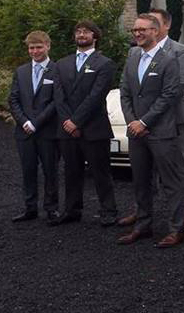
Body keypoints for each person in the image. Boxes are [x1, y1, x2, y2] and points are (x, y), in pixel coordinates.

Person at [116, 9, 184, 229]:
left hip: (172, 119)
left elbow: (178, 86)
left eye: (150, 26)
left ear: (163, 27)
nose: (139, 32)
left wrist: (146, 120)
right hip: (140, 124)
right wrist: (135, 120)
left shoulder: (179, 51)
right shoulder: (135, 54)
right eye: (136, 29)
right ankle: (143, 212)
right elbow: (127, 90)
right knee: (142, 172)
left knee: (176, 168)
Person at [52, 21, 118, 226]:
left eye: (86, 31)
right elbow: (58, 96)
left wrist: (76, 121)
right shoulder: (61, 64)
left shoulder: (104, 63)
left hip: (93, 128)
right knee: (71, 171)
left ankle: (108, 211)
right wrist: (67, 122)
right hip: (66, 129)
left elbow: (96, 95)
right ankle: (72, 210)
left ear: (95, 37)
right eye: (78, 31)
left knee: (101, 172)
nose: (81, 34)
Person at [7, 31, 59, 224]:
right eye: (31, 48)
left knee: (50, 170)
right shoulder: (20, 71)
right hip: (25, 131)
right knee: (28, 170)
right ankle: (30, 208)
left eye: (38, 47)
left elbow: (56, 101)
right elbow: (13, 99)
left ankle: (52, 209)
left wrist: (36, 123)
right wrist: (24, 122)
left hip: (47, 131)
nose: (35, 51)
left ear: (47, 46)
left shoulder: (57, 70)